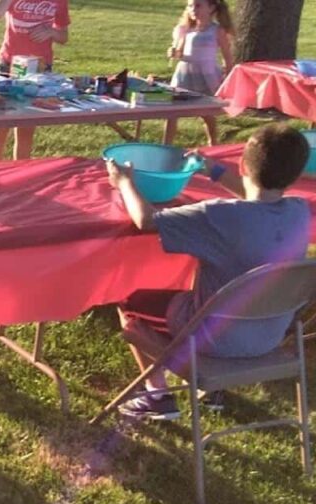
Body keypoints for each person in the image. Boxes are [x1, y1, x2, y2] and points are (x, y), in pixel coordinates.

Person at [107, 123, 311, 420]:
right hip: (269, 335)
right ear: (294, 177)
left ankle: (157, 394)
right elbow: (261, 198)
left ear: (242, 163)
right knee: (212, 283)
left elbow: (146, 219)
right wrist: (214, 171)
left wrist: (124, 182)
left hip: (216, 340)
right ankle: (213, 391)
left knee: (130, 302)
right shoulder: (299, 211)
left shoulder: (217, 215)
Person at [0, 0, 70, 162]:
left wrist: (51, 32)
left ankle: (21, 172)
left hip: (39, 67)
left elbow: (64, 36)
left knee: (27, 126)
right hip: (9, 65)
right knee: (0, 125)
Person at [164, 0, 235, 146]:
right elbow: (180, 53)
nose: (193, 9)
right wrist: (174, 53)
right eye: (190, 6)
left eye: (198, 5)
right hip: (185, 74)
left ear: (211, 8)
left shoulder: (216, 30)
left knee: (206, 112)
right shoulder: (186, 30)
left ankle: (213, 142)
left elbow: (227, 56)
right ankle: (166, 144)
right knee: (172, 111)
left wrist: (228, 75)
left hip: (206, 74)